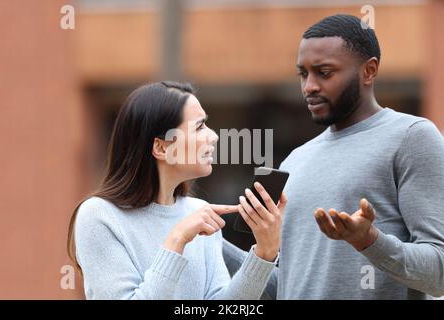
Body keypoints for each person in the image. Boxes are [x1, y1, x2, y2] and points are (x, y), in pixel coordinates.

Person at [227, 14, 444, 300]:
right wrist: (212, 243)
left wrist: (369, 241)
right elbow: (291, 286)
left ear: (369, 71)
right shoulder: (295, 160)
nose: (309, 87)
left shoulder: (411, 137)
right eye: (303, 74)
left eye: (324, 72)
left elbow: (438, 272)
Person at [67, 81, 287, 299]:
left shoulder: (199, 211)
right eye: (199, 127)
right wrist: (177, 239)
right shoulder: (99, 216)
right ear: (162, 147)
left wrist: (264, 252)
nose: (214, 136)